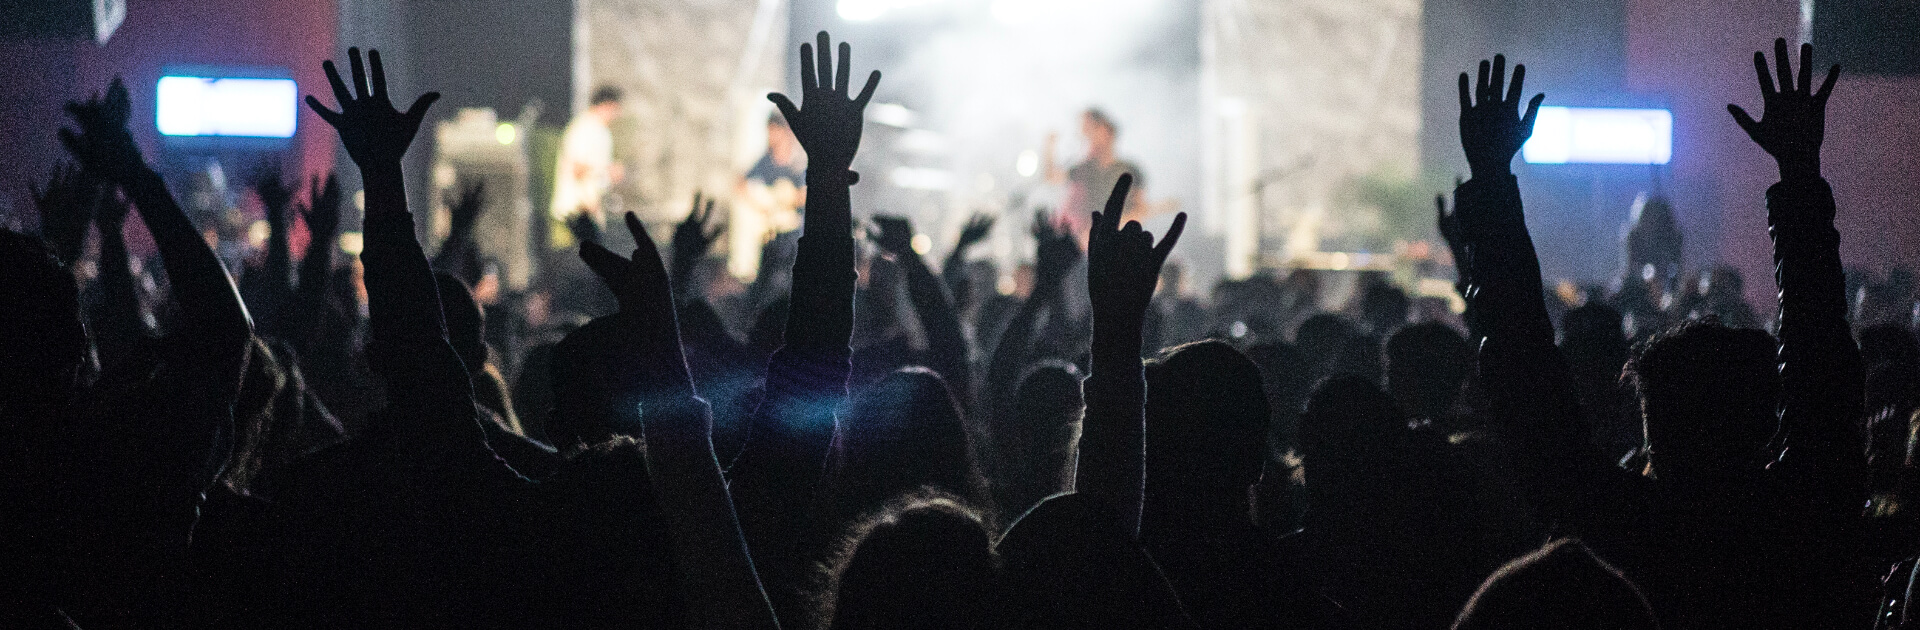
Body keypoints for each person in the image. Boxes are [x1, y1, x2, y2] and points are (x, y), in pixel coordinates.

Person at [1045, 108, 1149, 246]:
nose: (1088, 135)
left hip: (1118, 246)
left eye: (1094, 129)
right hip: (1086, 245)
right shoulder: (1085, 168)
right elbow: (1052, 178)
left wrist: (1113, 228)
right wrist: (1049, 148)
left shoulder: (1131, 169)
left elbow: (1140, 210)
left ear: (1108, 132)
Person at [730, 113, 808, 280]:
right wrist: (760, 206)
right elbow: (739, 183)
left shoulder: (799, 161)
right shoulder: (766, 161)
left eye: (773, 131)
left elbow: (807, 194)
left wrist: (790, 199)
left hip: (796, 233)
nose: (770, 136)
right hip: (771, 233)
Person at [550, 85, 624, 250]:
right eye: (616, 109)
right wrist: (607, 170)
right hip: (573, 215)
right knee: (573, 266)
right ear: (608, 105)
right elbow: (577, 168)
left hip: (589, 215)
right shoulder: (584, 128)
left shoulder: (601, 131)